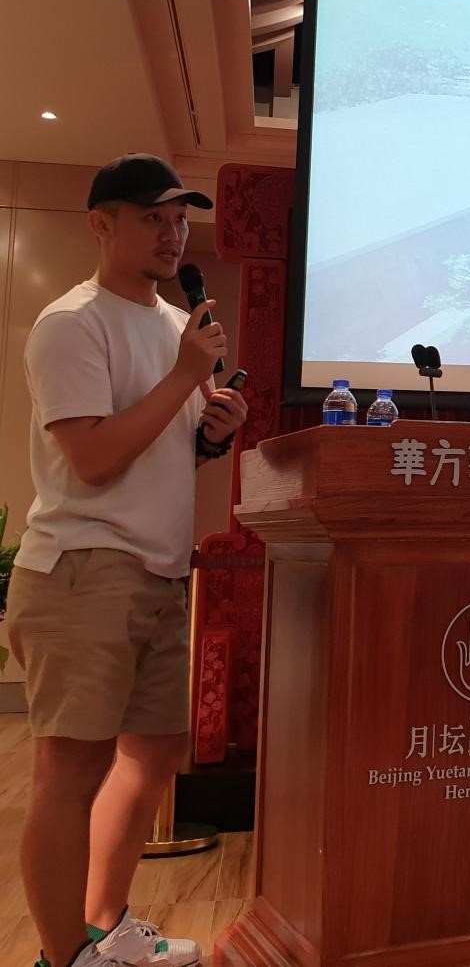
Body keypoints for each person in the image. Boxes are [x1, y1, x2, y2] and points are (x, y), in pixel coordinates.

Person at [6, 155, 249, 967]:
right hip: (83, 571)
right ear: (101, 225)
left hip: (159, 573)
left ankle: (104, 930)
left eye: (179, 218)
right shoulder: (71, 324)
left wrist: (209, 434)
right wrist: (186, 375)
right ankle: (61, 958)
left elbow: (154, 448)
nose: (173, 233)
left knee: (153, 758)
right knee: (70, 772)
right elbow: (93, 460)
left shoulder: (175, 326)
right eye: (152, 218)